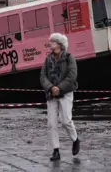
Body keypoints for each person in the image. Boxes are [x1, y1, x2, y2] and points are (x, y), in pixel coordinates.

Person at [40, 33, 80, 161]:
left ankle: (75, 139)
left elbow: (72, 76)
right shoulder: (47, 59)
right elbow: (42, 76)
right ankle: (56, 150)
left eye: (52, 42)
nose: (49, 44)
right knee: (51, 123)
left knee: (65, 120)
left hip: (66, 93)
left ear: (59, 44)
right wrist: (51, 87)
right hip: (51, 94)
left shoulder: (69, 58)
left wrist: (60, 87)